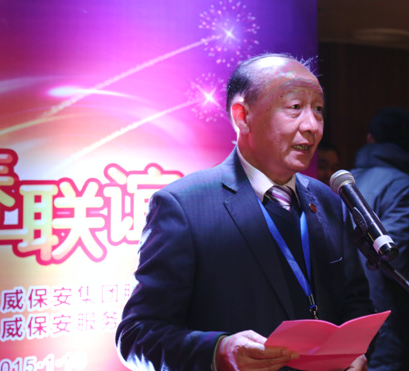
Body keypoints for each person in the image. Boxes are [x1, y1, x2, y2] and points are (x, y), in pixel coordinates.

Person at [116, 53, 374, 371]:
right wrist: (219, 351)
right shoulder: (184, 205)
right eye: (295, 107)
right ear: (242, 116)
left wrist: (355, 352)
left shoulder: (329, 201)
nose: (311, 126)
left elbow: (355, 300)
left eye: (318, 109)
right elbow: (137, 335)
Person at [351, 106, 409, 371]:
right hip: (385, 327)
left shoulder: (345, 182)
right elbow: (394, 261)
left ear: (369, 139)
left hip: (343, 320)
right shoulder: (406, 187)